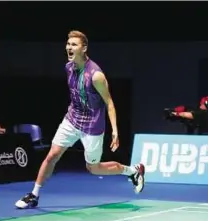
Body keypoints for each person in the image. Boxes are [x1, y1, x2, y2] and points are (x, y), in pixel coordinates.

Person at [15, 30, 145, 209]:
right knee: (52, 155)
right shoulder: (68, 68)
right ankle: (34, 195)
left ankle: (133, 171)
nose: (69, 47)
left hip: (92, 125)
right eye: (68, 44)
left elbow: (109, 102)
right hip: (72, 119)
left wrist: (115, 130)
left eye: (74, 45)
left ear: (84, 48)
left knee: (94, 168)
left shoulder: (96, 75)